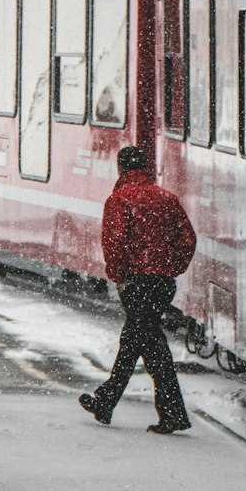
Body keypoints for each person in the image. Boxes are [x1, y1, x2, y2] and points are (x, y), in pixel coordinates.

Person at [79, 146, 196, 434]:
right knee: (146, 343)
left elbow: (114, 242)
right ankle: (165, 412)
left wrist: (119, 276)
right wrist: (171, 267)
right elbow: (187, 239)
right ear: (146, 168)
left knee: (138, 342)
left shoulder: (119, 200)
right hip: (161, 284)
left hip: (136, 282)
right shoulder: (167, 199)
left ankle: (109, 401)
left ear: (121, 169)